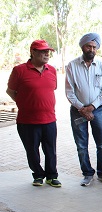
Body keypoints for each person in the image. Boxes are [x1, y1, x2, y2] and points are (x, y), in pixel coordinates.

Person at [6, 40, 61, 187]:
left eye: (47, 51)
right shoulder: (19, 70)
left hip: (49, 119)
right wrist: (23, 103)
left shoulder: (52, 70)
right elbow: (10, 91)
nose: (46, 54)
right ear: (33, 52)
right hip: (27, 121)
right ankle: (38, 175)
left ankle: (51, 176)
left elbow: (50, 90)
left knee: (51, 150)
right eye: (43, 51)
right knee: (32, 151)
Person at [65, 32, 102, 187]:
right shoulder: (72, 66)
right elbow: (69, 91)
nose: (91, 49)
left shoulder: (101, 66)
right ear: (83, 47)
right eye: (88, 46)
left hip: (98, 110)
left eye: (94, 47)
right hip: (77, 110)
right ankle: (87, 173)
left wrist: (92, 107)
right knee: (81, 145)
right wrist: (82, 108)